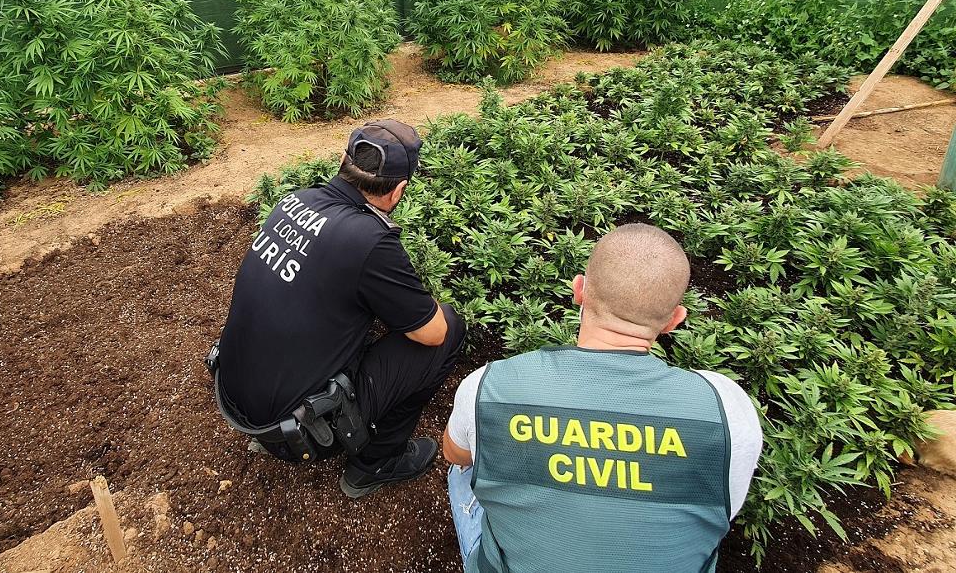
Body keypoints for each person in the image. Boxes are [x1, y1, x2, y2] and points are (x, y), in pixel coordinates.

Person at [442, 223, 763, 572]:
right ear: (675, 319)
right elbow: (722, 513)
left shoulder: (490, 386)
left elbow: (453, 452)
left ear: (579, 290)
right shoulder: (726, 410)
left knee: (466, 466)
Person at [213, 120, 465, 498]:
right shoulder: (369, 240)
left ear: (343, 159)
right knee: (450, 328)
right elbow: (431, 332)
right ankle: (377, 461)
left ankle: (273, 431)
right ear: (399, 190)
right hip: (295, 432)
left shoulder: (293, 201)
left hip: (234, 399)